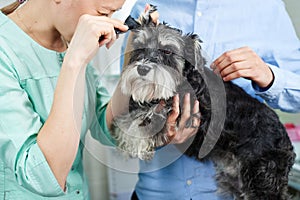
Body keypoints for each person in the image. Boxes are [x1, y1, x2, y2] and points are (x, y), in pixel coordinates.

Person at [0, 0, 199, 199]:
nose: (108, 24)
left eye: (114, 13)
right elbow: (42, 177)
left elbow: (107, 128)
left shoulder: (66, 39)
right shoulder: (7, 51)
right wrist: (75, 61)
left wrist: (135, 53)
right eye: (104, 12)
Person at [125, 0, 300, 199]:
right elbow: (123, 102)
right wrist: (152, 131)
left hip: (242, 184)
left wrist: (269, 76)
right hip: (157, 193)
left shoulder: (267, 7)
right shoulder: (148, 6)